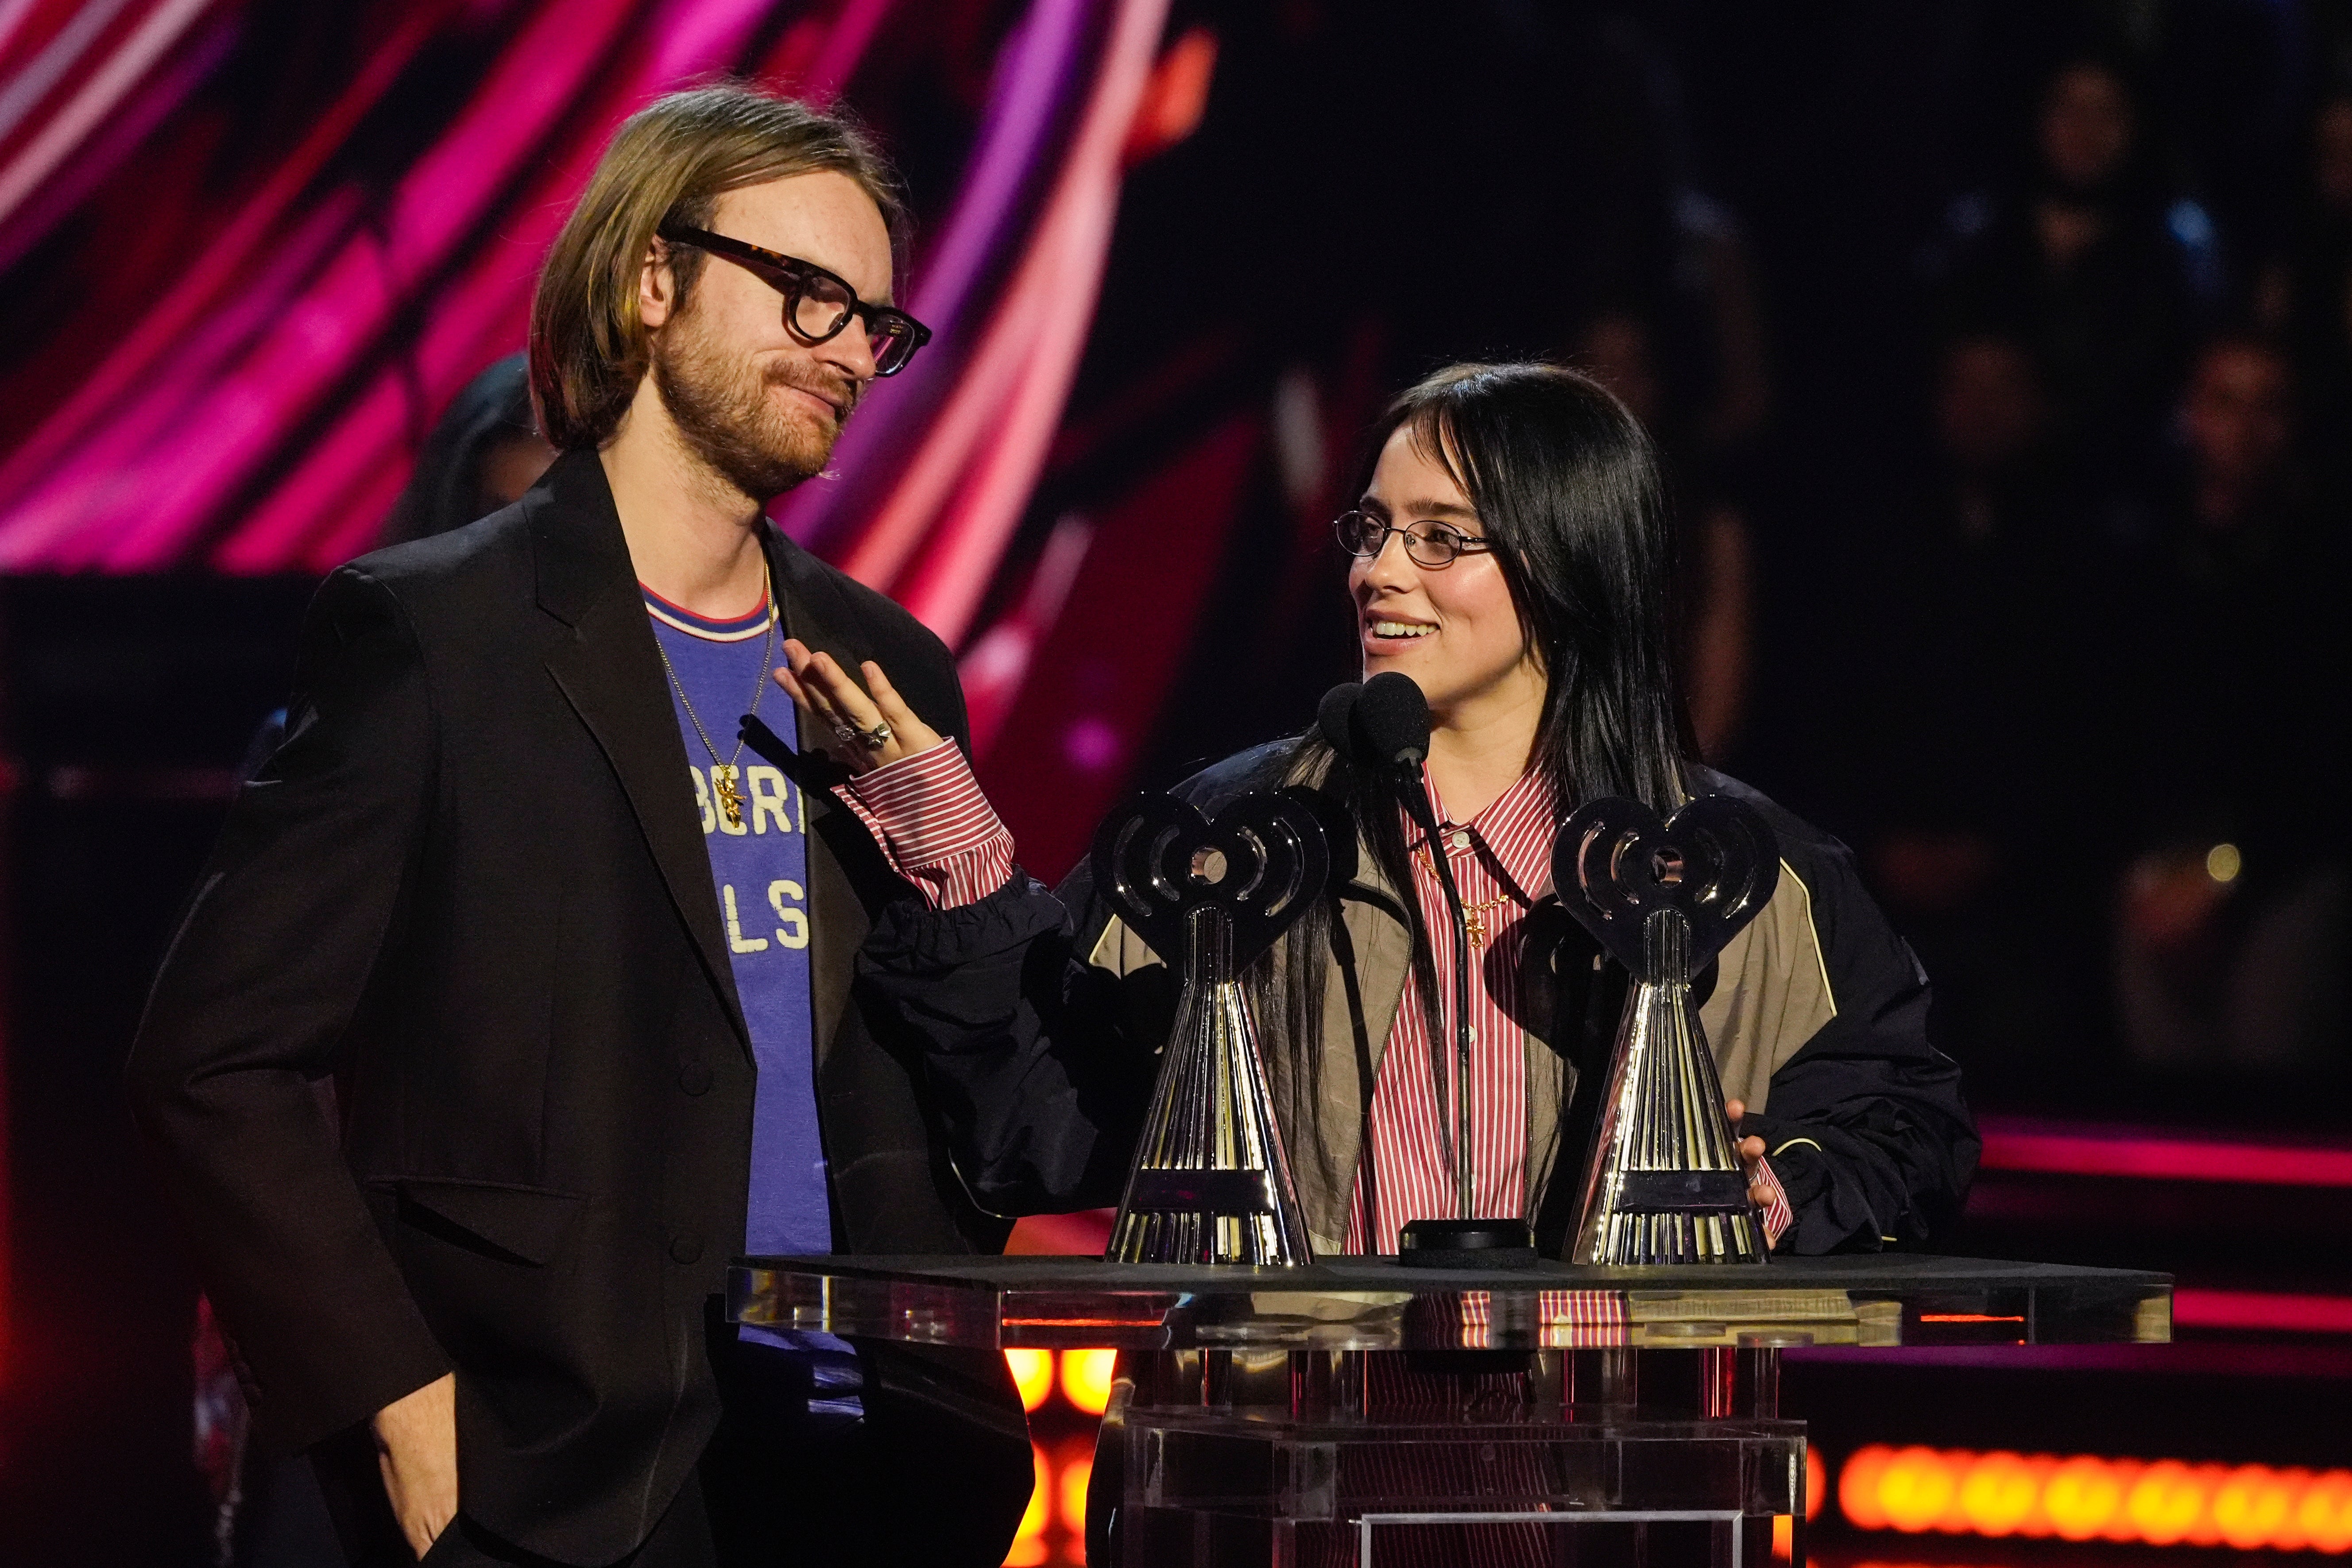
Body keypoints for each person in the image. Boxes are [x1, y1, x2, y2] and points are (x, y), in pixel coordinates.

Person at [127, 86, 1033, 1568]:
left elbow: (952, 1072)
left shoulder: (890, 664)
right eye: (802, 292)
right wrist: (395, 1398)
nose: (846, 352)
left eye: (873, 321)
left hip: (873, 1453)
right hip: (566, 1470)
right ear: (651, 277)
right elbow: (212, 1059)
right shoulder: (435, 637)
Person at [781, 361, 1979, 1262]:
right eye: (1373, 530)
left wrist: (1781, 1188)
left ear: (1567, 568)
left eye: (1440, 539)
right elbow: (1031, 1123)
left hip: (1601, 1490)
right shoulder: (1234, 840)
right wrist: (946, 835)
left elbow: (1907, 1124)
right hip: (1281, 1485)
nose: (1378, 570)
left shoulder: (1734, 867)